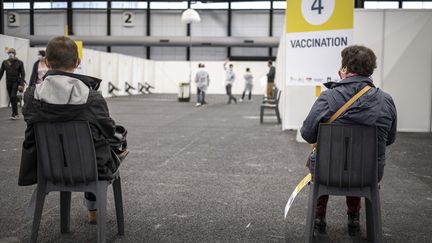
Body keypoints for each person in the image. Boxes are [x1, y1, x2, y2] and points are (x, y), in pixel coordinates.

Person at [19, 36, 128, 224]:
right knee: (110, 141)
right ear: (78, 62)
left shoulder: (31, 96)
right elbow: (108, 131)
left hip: (47, 168)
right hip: (90, 169)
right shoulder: (92, 98)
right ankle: (92, 205)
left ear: (46, 61)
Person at [300, 45, 397, 236]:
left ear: (344, 69)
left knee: (324, 159)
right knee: (356, 160)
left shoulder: (328, 97)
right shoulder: (387, 101)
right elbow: (390, 139)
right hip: (369, 173)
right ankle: (354, 217)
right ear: (371, 69)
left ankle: (319, 217)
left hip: (327, 172)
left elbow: (307, 134)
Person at [0, 48, 26, 120]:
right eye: (9, 52)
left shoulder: (19, 62)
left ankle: (14, 113)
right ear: (8, 54)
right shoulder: (5, 62)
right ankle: (15, 113)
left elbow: (23, 74)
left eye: (12, 52)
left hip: (16, 82)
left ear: (15, 53)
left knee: (12, 96)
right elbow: (1, 73)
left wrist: (21, 84)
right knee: (11, 98)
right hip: (8, 82)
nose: (11, 53)